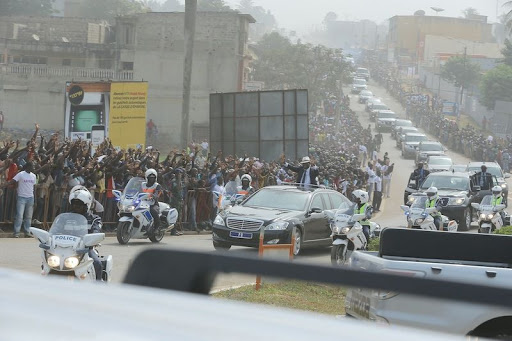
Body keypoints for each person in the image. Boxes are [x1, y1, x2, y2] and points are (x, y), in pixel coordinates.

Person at [68, 187, 103, 281]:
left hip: (85, 249)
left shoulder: (94, 219)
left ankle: (98, 286)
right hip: (67, 248)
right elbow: (56, 230)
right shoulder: (66, 217)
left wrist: (94, 237)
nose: (76, 206)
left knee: (97, 263)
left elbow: (96, 230)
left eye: (79, 204)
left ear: (86, 205)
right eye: (74, 204)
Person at [2, 162, 37, 238]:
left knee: (28, 216)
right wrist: (4, 185)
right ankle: (16, 232)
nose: (33, 167)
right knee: (20, 216)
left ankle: (27, 232)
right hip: (21, 197)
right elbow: (13, 181)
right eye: (32, 166)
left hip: (30, 197)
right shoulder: (21, 174)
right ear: (28, 166)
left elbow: (34, 188)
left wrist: (35, 199)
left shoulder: (33, 176)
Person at [141, 168, 163, 233]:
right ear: (146, 177)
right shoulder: (142, 184)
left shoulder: (157, 186)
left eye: (153, 177)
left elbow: (157, 193)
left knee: (153, 211)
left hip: (153, 203)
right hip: (142, 203)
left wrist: (154, 196)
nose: (152, 179)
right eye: (150, 177)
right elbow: (136, 190)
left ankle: (157, 226)